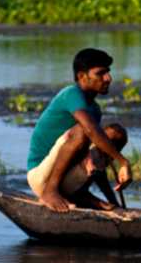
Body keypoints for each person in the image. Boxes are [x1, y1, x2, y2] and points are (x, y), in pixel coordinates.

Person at [26, 48, 131, 211]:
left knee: (116, 134)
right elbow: (89, 130)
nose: (108, 78)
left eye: (108, 73)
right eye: (100, 73)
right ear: (82, 76)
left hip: (66, 180)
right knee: (83, 130)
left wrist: (115, 203)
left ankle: (78, 193)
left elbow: (98, 159)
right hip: (42, 177)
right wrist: (123, 161)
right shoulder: (71, 94)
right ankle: (50, 192)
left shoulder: (94, 110)